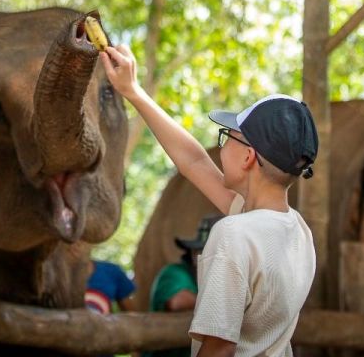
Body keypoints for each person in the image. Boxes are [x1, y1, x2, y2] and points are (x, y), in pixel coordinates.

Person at [102, 45, 318, 357]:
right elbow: (195, 163)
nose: (220, 147)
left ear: (248, 156)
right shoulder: (295, 229)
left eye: (226, 136)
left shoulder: (235, 234)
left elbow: (219, 348)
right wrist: (133, 91)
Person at [144, 214, 223, 357]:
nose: (204, 257)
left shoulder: (220, 279)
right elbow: (177, 301)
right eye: (201, 251)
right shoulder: (175, 273)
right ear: (192, 253)